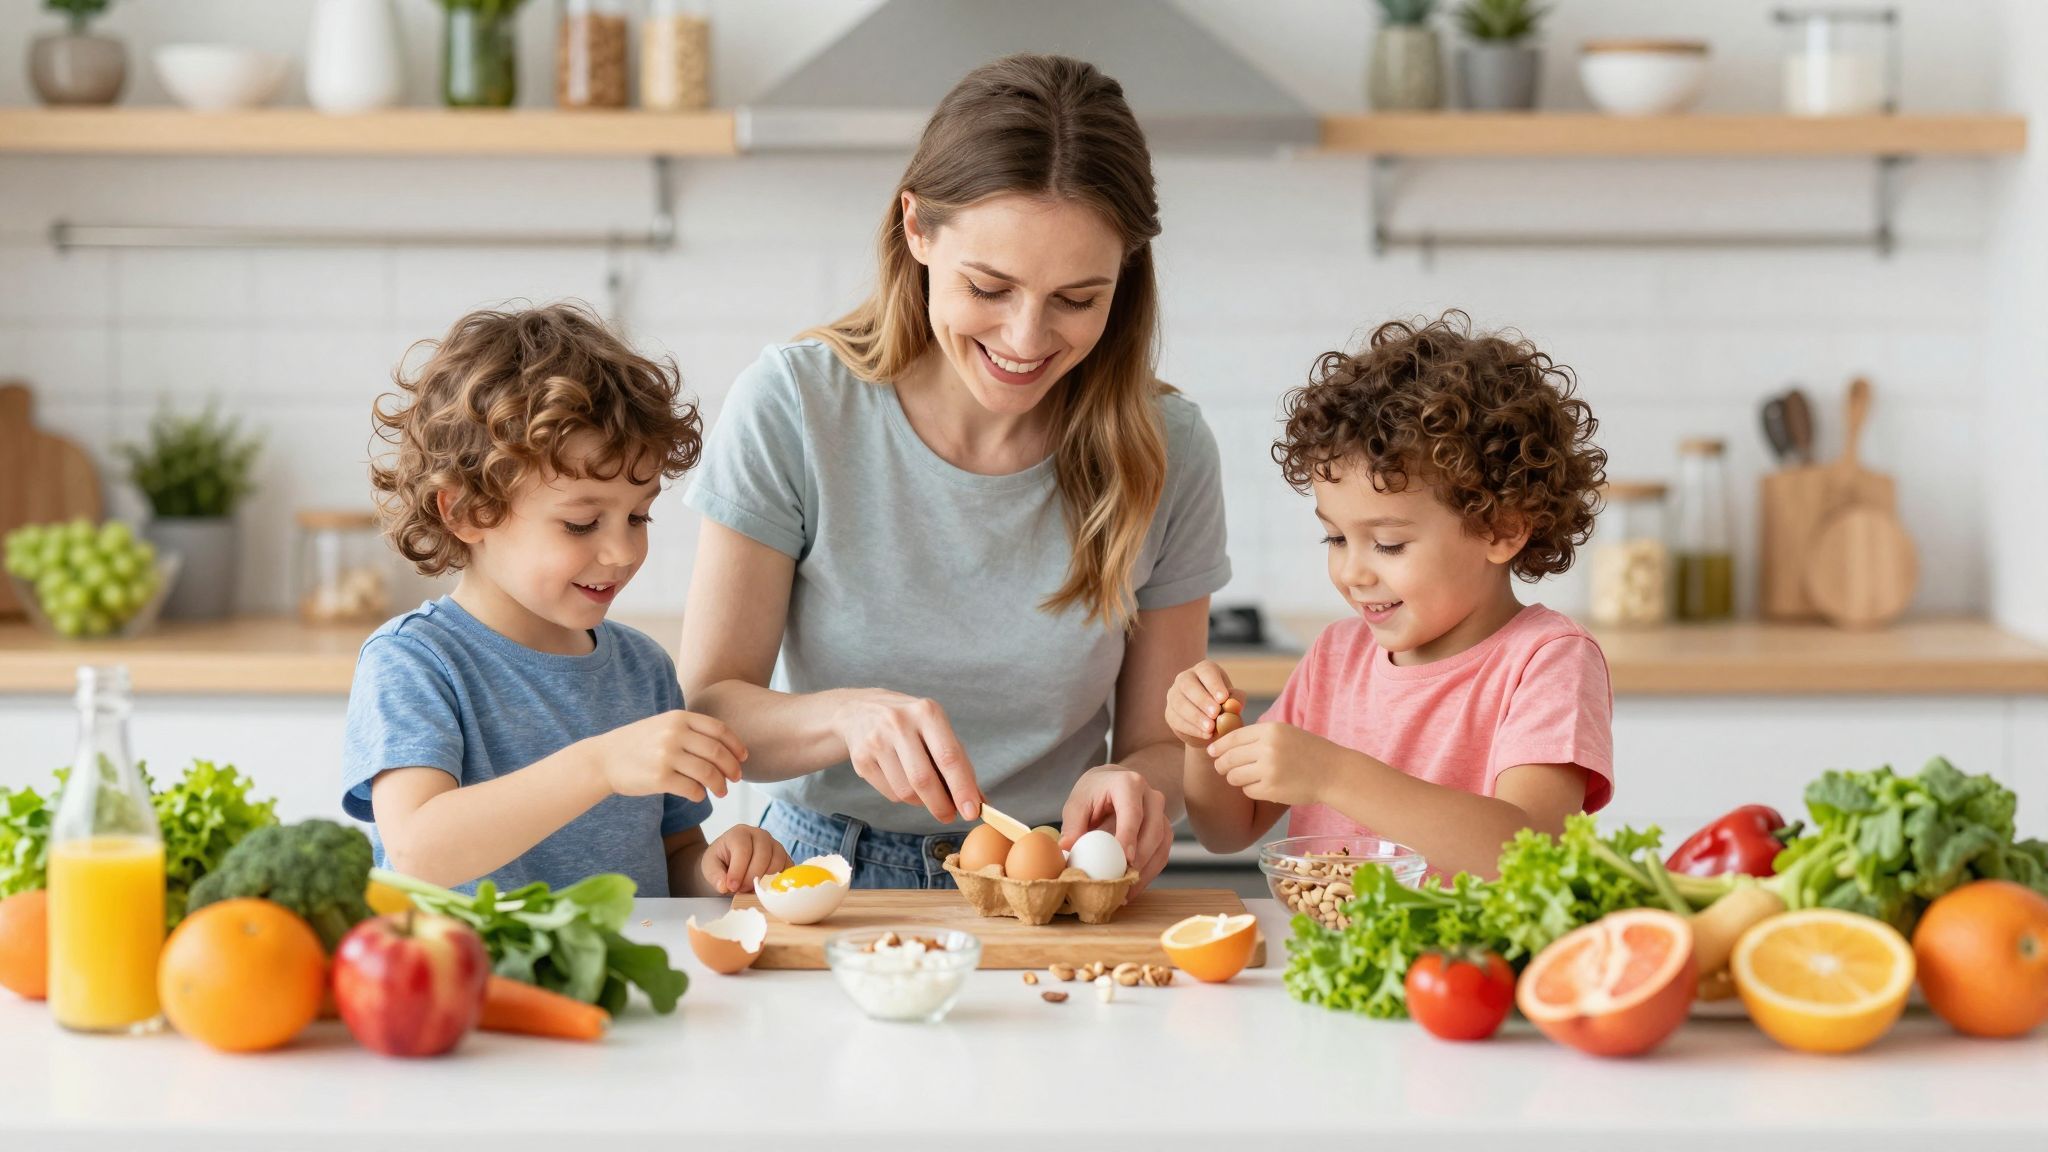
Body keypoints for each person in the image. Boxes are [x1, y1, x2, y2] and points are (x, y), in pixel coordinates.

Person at [678, 55, 1230, 889]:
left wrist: (1138, 787)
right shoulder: (796, 407)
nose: (1025, 338)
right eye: (989, 286)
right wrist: (846, 717)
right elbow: (710, 709)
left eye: (1077, 300)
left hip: (1050, 886)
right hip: (822, 876)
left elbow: (1158, 746)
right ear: (917, 230)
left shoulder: (1167, 447)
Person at [342, 303, 790, 895]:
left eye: (637, 516)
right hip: (475, 984)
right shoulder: (415, 663)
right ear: (469, 511)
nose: (622, 552)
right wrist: (600, 766)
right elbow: (420, 848)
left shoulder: (643, 671)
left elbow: (674, 854)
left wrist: (720, 870)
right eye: (581, 524)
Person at [1170, 313, 1613, 879]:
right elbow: (1226, 829)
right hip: (1330, 961)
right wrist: (1202, 743)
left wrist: (1332, 775)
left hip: (1470, 966)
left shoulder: (1546, 660)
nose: (1352, 572)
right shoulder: (1337, 656)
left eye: (1388, 544)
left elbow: (1526, 858)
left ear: (1502, 528)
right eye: (1334, 537)